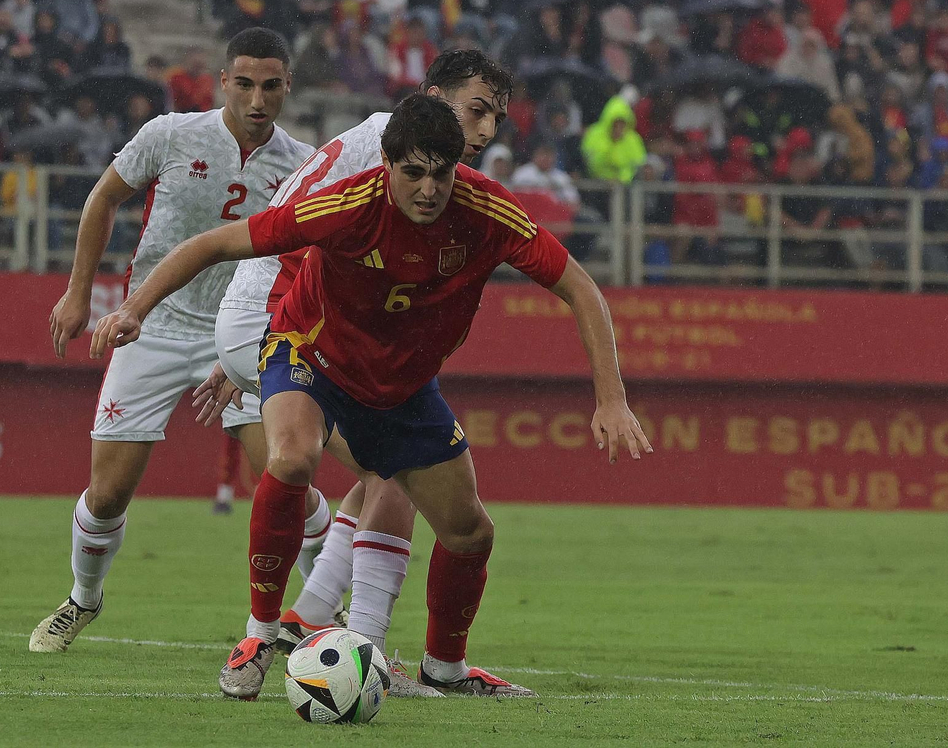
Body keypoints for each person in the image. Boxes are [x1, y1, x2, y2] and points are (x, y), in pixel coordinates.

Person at [92, 93, 648, 698]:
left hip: (399, 387)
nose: (429, 189)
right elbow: (213, 245)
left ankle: (446, 670)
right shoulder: (349, 204)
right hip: (310, 354)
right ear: (386, 166)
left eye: (441, 172)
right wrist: (133, 308)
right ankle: (259, 634)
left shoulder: (489, 211)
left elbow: (580, 288)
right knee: (291, 458)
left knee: (471, 534)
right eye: (413, 172)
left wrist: (612, 399)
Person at [204, 49, 511, 697]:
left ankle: (311, 612)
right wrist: (269, 335)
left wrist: (241, 343)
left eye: (493, 121)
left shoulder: (389, 140)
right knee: (392, 443)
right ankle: (358, 646)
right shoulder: (403, 152)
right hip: (278, 304)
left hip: (263, 306)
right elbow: (316, 240)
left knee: (385, 453)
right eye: (475, 111)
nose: (482, 133)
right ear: (431, 96)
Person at [29, 28, 316, 653]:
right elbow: (103, 198)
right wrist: (79, 293)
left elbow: (312, 262)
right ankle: (82, 600)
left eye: (270, 86)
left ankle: (321, 619)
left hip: (245, 332)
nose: (257, 98)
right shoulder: (170, 134)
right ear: (223, 83)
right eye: (244, 84)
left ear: (287, 87)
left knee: (286, 473)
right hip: (154, 325)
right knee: (106, 494)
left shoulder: (304, 166)